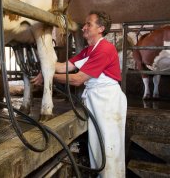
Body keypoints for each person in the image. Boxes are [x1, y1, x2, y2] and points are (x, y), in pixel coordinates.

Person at [31, 10, 127, 177]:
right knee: (97, 147)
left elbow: (78, 79)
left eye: (89, 24)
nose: (83, 28)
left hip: (108, 102)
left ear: (101, 28)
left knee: (108, 148)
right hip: (97, 99)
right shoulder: (88, 51)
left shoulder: (104, 49)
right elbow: (63, 67)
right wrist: (45, 62)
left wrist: (49, 76)